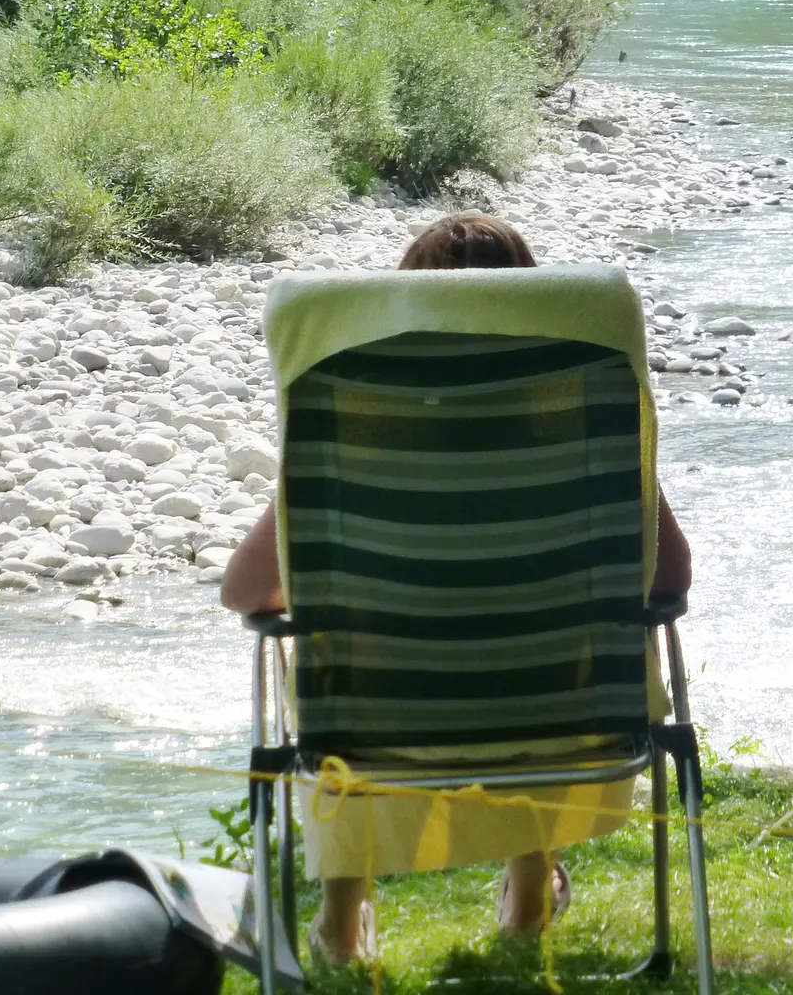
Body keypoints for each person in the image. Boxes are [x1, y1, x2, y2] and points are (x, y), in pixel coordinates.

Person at [222, 212, 694, 965]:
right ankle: (529, 894)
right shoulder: (581, 437)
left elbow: (244, 592)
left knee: (326, 649)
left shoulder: (353, 447)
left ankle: (341, 924)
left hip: (374, 735)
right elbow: (670, 578)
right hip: (565, 729)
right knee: (551, 650)